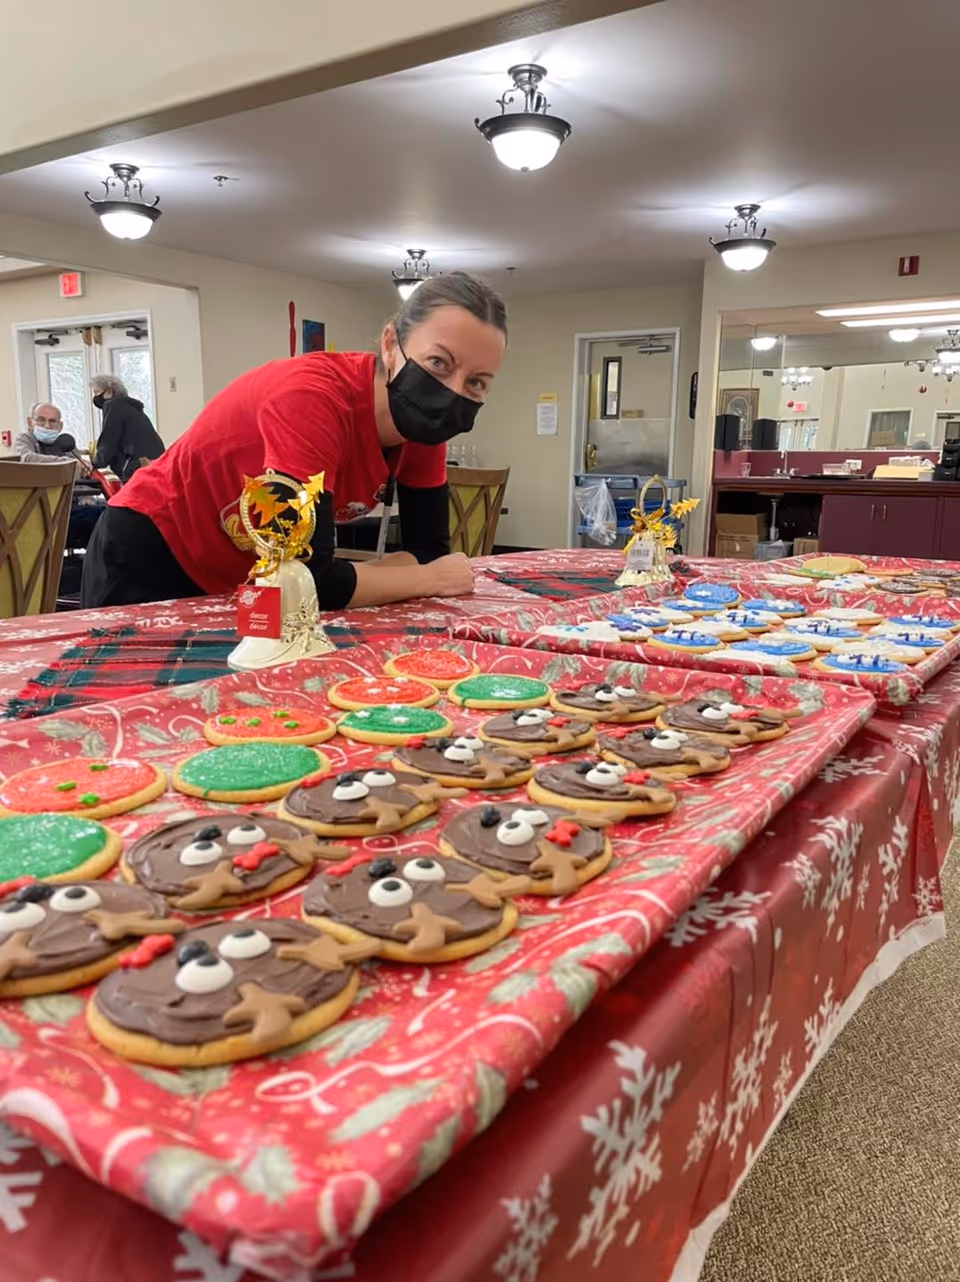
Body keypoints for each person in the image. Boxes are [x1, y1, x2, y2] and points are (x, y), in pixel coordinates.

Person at [80, 272, 506, 610]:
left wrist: (412, 572)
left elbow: (426, 550)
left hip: (243, 580)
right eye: (438, 362)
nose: (451, 391)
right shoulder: (314, 399)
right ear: (391, 344)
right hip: (152, 545)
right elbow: (306, 578)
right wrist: (426, 578)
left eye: (476, 383)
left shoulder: (422, 428)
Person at [90, 374, 165, 483]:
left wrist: (94, 464)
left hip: (136, 466)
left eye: (96, 392)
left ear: (109, 392)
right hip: (155, 462)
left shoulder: (113, 406)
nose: (95, 397)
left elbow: (109, 440)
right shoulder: (131, 407)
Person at [14, 402, 82, 466]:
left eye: (52, 421)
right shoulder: (24, 439)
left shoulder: (65, 442)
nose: (47, 426)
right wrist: (67, 462)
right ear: (30, 423)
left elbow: (78, 463)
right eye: (41, 420)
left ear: (60, 426)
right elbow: (28, 458)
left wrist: (84, 468)